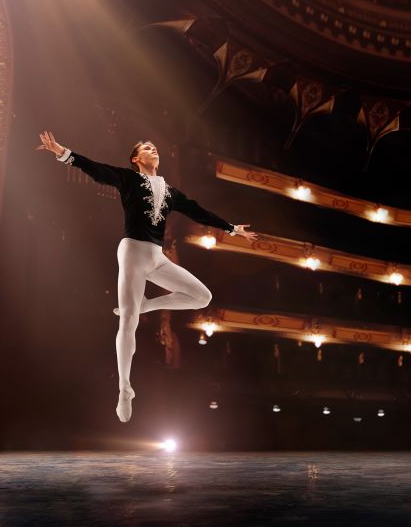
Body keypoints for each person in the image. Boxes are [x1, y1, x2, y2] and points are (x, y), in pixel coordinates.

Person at [36, 131, 258, 422]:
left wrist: (231, 228)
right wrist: (62, 152)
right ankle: (124, 388)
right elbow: (97, 170)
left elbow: (197, 211)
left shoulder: (170, 191)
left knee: (203, 297)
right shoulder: (128, 180)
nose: (153, 149)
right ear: (135, 159)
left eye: (155, 147)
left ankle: (148, 304)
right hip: (131, 252)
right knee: (128, 320)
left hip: (156, 257)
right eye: (146, 148)